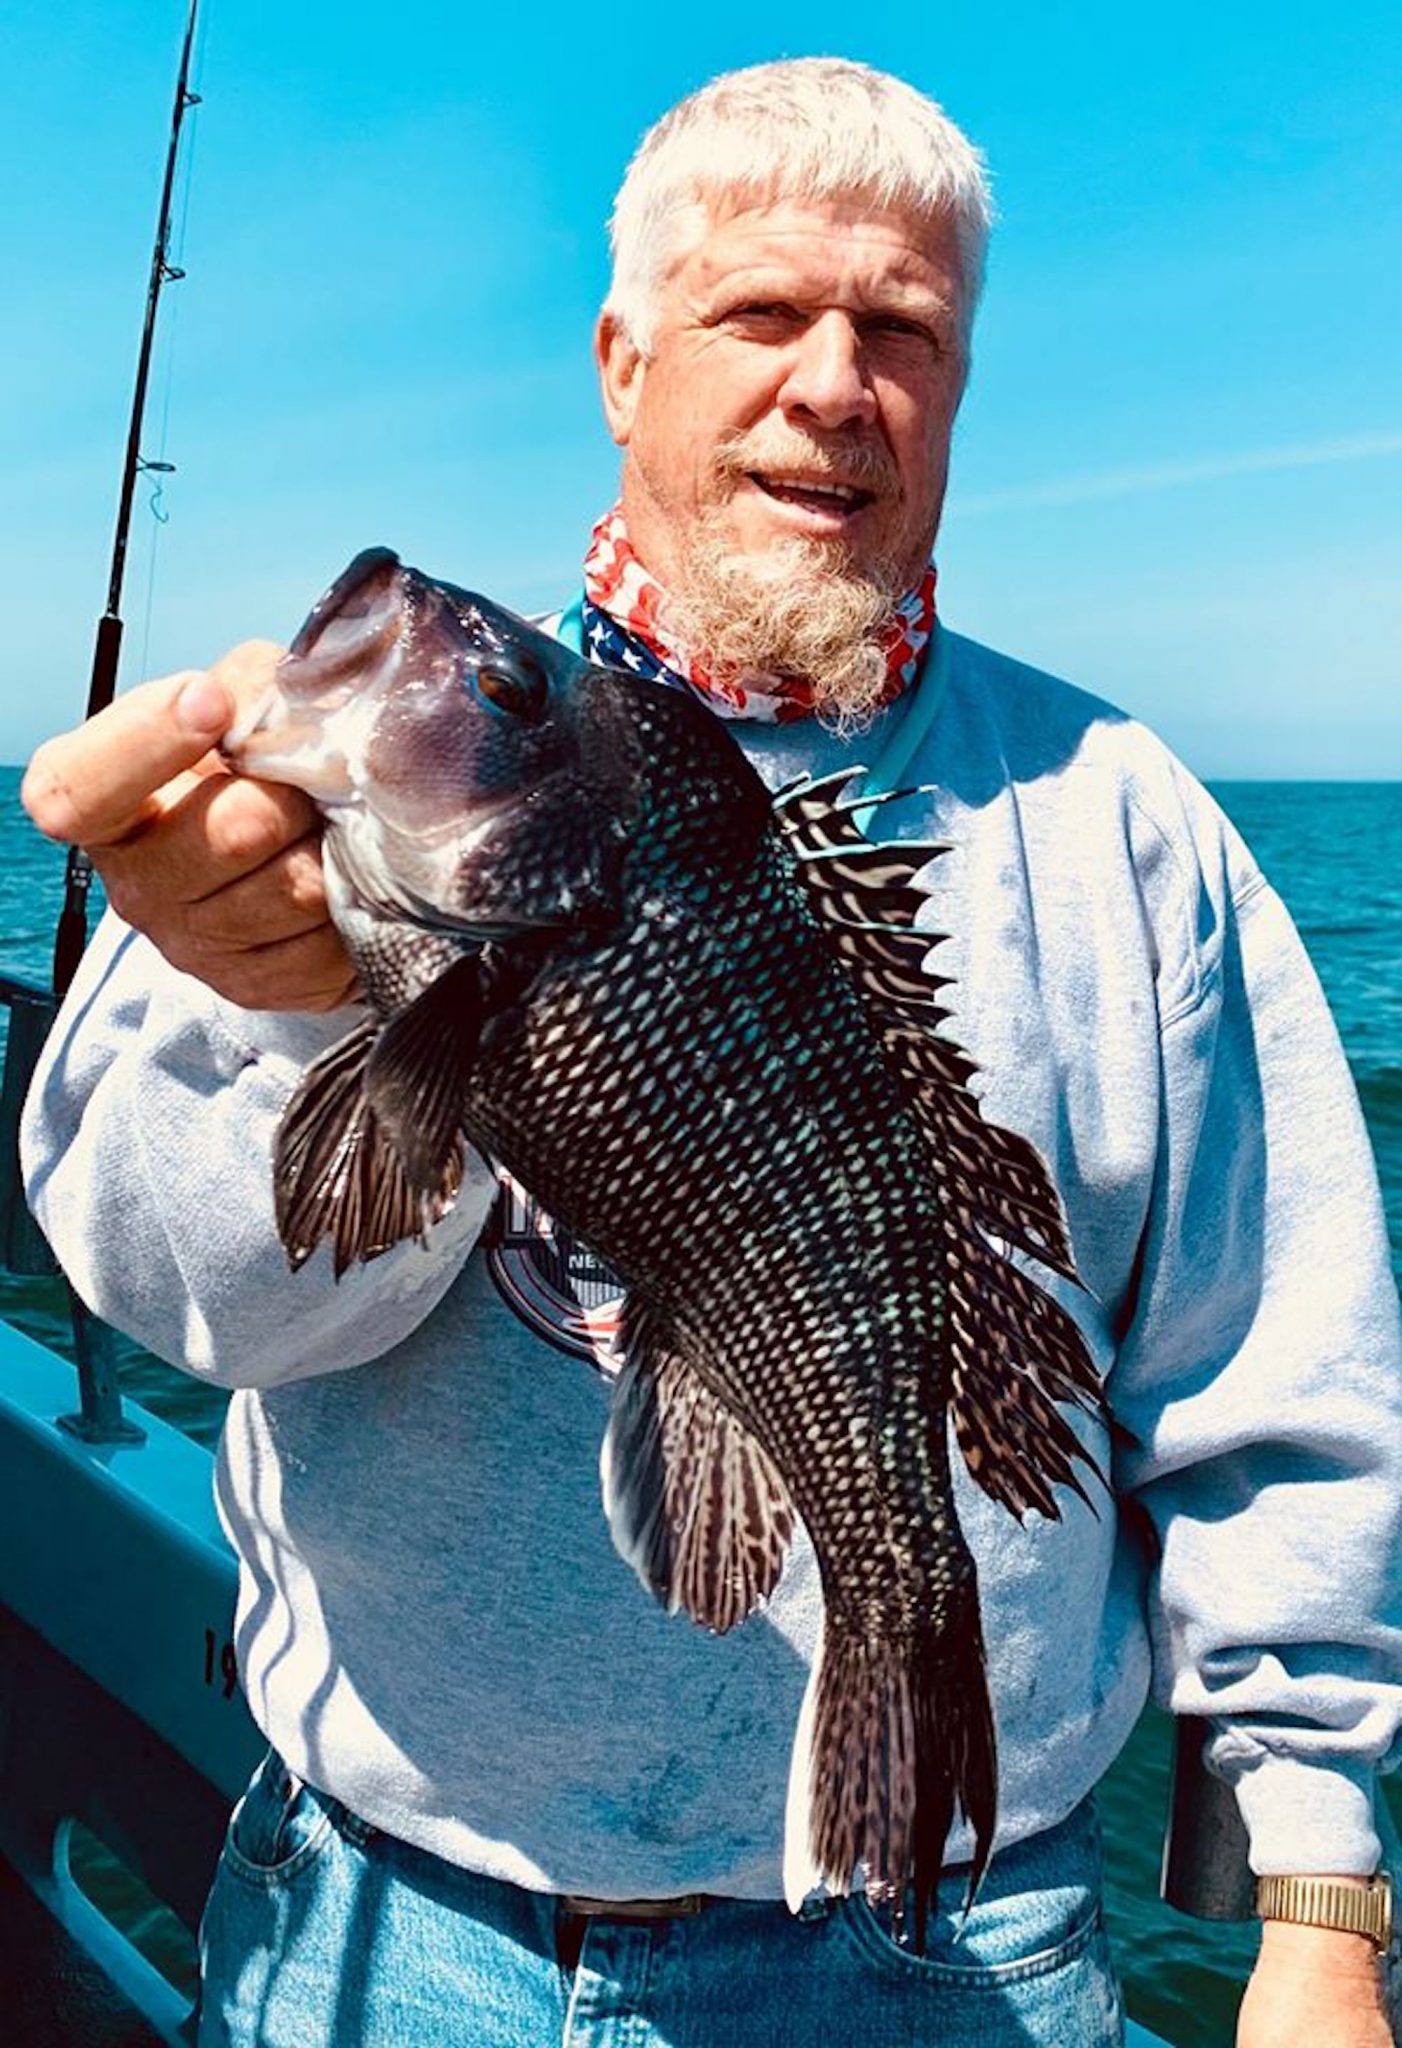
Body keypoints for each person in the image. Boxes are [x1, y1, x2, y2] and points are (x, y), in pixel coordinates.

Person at [19, 57, 1402, 2048]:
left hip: (956, 1951)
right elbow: (197, 1306)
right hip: (401, 1924)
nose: (834, 381)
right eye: (760, 312)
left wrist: (1317, 1910)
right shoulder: (322, 821)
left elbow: (1273, 1383)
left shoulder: (1123, 821)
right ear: (619, 361)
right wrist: (289, 994)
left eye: (902, 331)